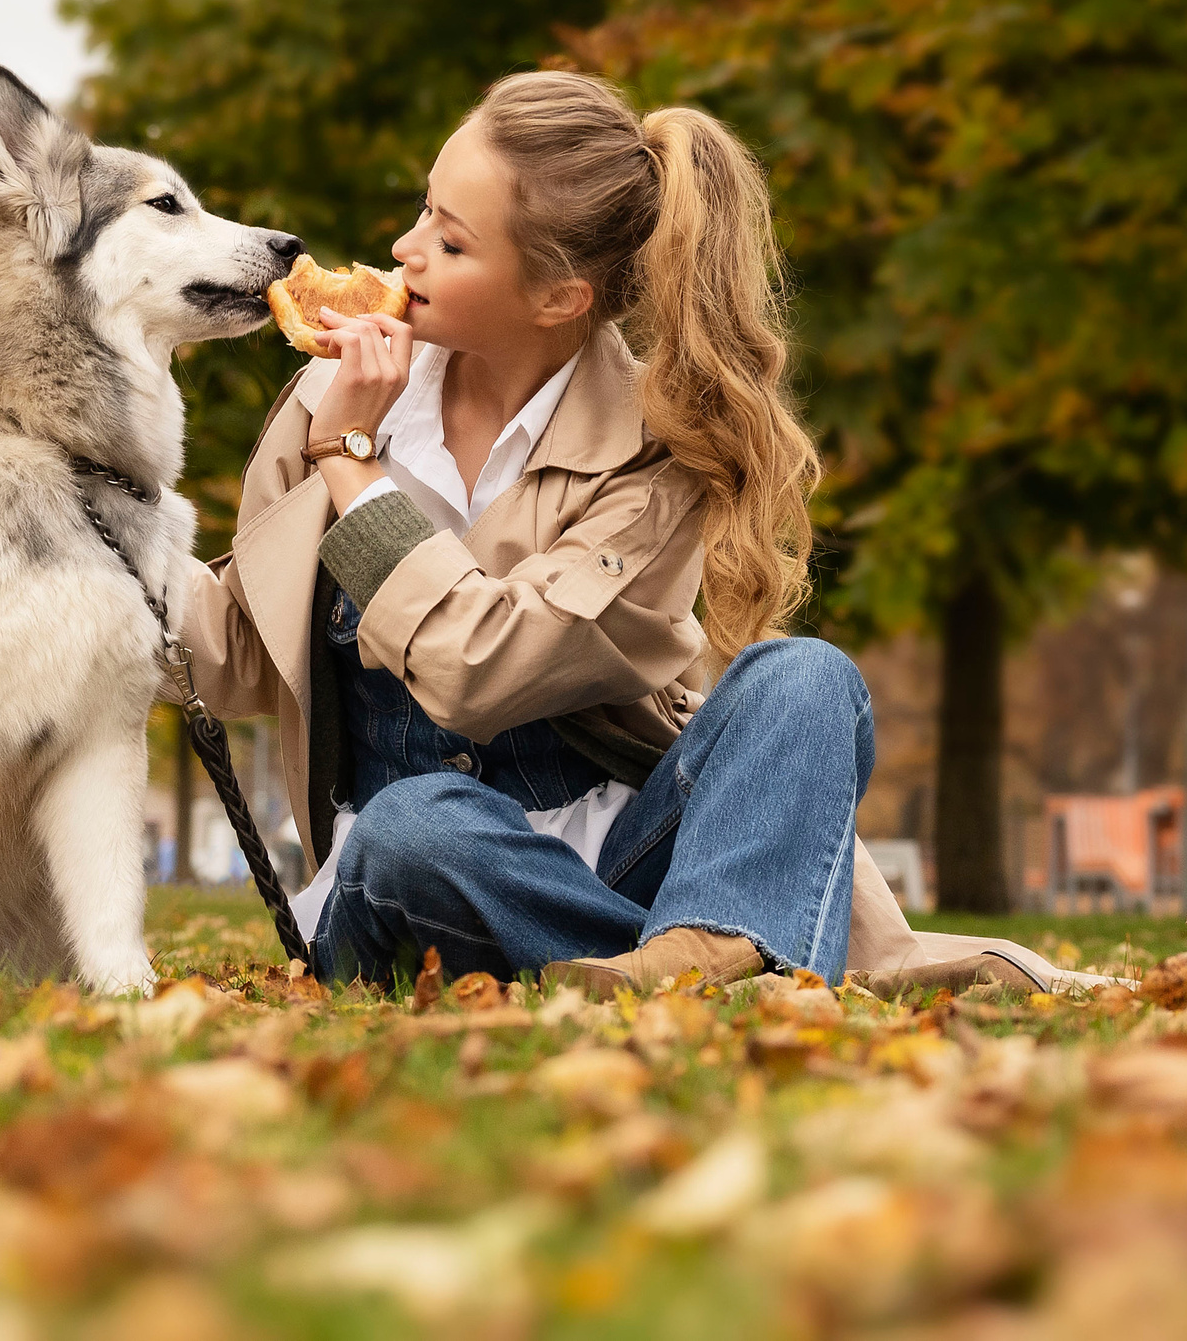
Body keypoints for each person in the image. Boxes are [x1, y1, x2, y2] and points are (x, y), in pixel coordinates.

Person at [177, 72, 1056, 996]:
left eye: (450, 239)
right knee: (417, 825)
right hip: (424, 877)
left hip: (626, 860)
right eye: (421, 212)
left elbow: (481, 669)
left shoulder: (651, 451)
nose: (403, 251)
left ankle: (685, 958)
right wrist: (80, 529)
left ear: (558, 295)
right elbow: (241, 646)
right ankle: (729, 955)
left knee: (806, 678)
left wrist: (351, 465)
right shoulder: (329, 394)